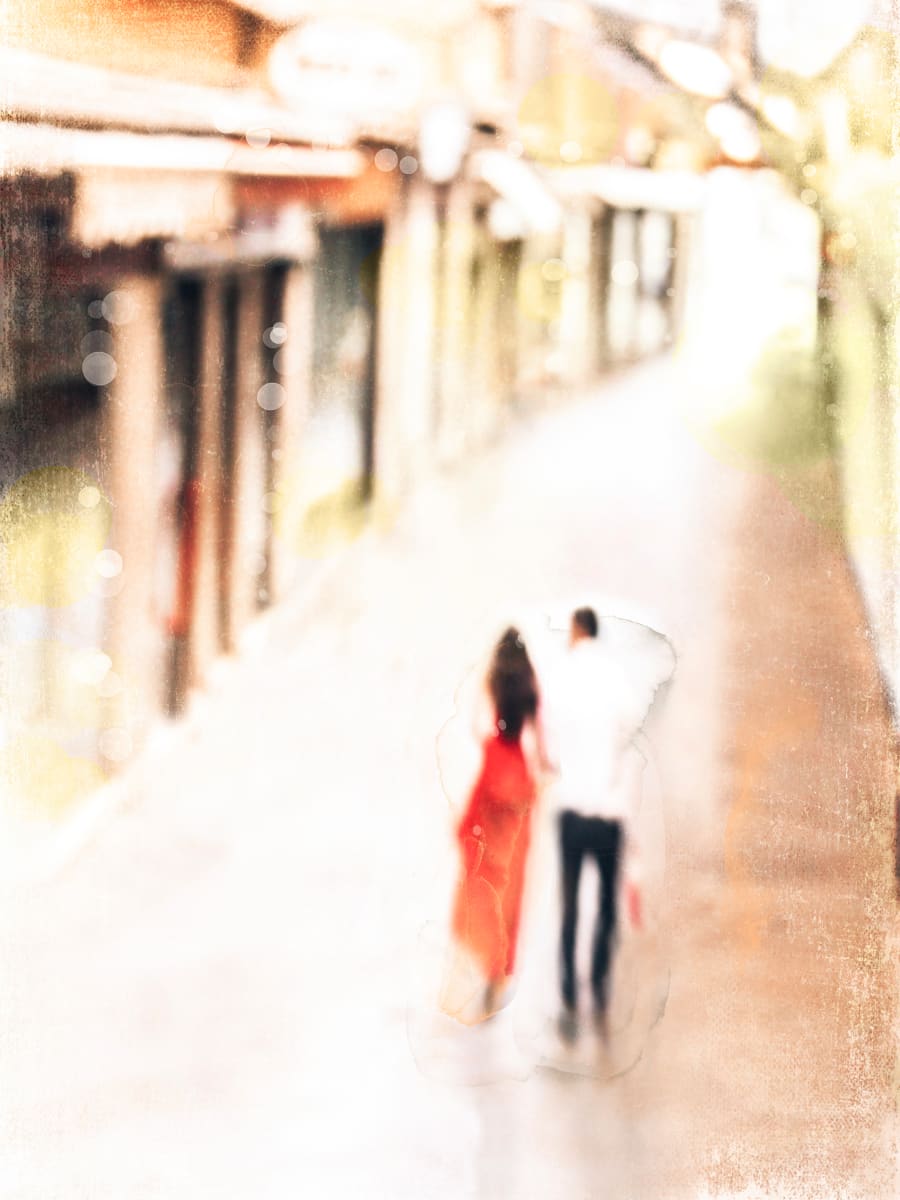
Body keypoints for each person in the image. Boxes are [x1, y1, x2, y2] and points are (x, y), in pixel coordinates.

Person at [545, 606, 643, 1036]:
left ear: (575, 631)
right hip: (608, 809)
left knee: (569, 902)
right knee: (605, 903)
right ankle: (599, 984)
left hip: (571, 806)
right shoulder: (616, 677)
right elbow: (631, 723)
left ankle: (567, 989)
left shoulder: (563, 676)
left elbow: (547, 743)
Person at [449, 627, 547, 1020]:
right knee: (512, 884)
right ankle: (501, 967)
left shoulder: (494, 680)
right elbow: (542, 740)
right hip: (520, 781)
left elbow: (477, 724)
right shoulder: (530, 688)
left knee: (484, 874)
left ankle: (486, 955)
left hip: (495, 771)